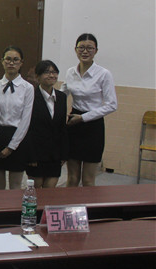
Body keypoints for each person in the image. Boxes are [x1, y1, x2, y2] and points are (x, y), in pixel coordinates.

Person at [61, 33, 117, 187]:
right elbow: (61, 95)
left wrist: (84, 118)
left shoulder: (104, 74)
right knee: (72, 178)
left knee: (88, 180)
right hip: (73, 124)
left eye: (89, 48)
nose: (85, 51)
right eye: (81, 48)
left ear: (96, 51)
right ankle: (70, 203)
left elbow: (112, 104)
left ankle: (88, 204)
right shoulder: (71, 72)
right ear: (75, 49)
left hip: (93, 126)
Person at [0, 46, 34, 190]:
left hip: (18, 138)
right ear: (2, 61)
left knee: (15, 186)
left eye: (15, 60)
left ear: (21, 63)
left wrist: (11, 147)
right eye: (8, 59)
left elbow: (25, 119)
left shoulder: (28, 88)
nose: (11, 63)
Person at [27, 60, 69, 188]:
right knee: (36, 191)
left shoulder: (61, 97)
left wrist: (63, 153)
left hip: (54, 154)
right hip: (36, 154)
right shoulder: (31, 96)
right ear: (37, 77)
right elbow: (27, 128)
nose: (51, 75)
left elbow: (62, 127)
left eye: (54, 72)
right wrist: (30, 155)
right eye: (47, 72)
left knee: (50, 192)